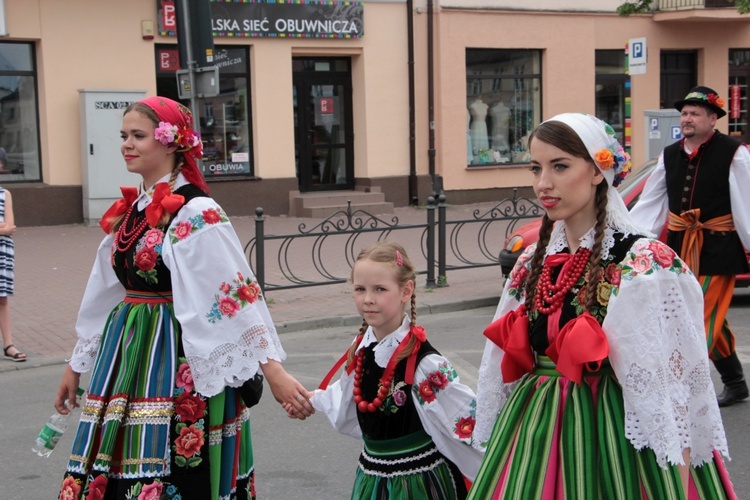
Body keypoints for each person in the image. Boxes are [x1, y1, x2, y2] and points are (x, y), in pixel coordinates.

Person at [55, 96, 314, 500]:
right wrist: (76, 364)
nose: (127, 144)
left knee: (176, 461)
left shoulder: (196, 211)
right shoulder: (130, 211)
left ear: (172, 142)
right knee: (121, 454)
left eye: (138, 136)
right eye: (124, 135)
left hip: (177, 353)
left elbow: (233, 294)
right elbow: (103, 292)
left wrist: (274, 371)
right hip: (126, 350)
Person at [469, 113, 735, 498]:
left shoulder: (643, 263)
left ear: (598, 170)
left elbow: (671, 391)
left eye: (560, 166)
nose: (543, 183)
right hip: (532, 429)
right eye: (536, 168)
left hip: (613, 434)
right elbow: (500, 368)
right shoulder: (532, 261)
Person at [286, 242, 484, 499]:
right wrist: (311, 401)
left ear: (406, 290)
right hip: (372, 478)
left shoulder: (425, 364)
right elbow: (346, 395)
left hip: (419, 483)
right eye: (360, 289)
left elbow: (466, 418)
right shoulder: (362, 349)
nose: (368, 299)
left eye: (379, 289)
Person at [630, 86, 750, 408]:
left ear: (713, 118)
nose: (687, 118)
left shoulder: (733, 152)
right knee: (711, 319)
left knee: (693, 318)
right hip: (680, 250)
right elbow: (652, 202)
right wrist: (630, 238)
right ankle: (736, 382)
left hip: (718, 251)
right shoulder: (669, 154)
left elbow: (746, 203)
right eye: (684, 113)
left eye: (695, 113)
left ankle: (681, 391)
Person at [0, 185, 22, 362]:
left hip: (3, 251)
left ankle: (8, 345)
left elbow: (10, 226)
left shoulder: (4, 194)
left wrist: (5, 229)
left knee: (2, 298)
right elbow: (4, 229)